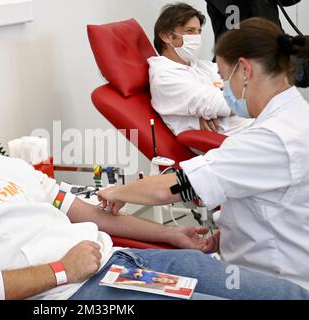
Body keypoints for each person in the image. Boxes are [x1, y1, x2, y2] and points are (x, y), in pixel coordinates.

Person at [0, 57, 308, 300]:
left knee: (279, 296)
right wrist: (60, 271)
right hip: (74, 298)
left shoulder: (0, 165)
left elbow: (89, 214)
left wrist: (170, 236)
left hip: (126, 264)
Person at [99, 18, 309, 294]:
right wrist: (233, 235)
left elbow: (173, 187)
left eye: (223, 77)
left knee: (128, 283)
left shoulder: (269, 139)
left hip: (275, 284)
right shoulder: (296, 116)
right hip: (282, 262)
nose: (222, 88)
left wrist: (117, 192)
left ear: (245, 70)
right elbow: (280, 204)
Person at [149, 3, 252, 137]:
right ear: (167, 36)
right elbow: (228, 104)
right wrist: (221, 102)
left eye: (199, 31)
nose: (197, 37)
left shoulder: (200, 66)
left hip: (253, 125)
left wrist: (216, 109)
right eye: (190, 31)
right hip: (237, 139)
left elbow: (249, 77)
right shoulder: (165, 78)